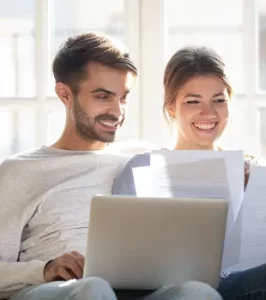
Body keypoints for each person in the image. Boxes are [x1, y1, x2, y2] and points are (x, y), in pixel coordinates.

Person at [0, 34, 221, 300]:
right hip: (56, 290)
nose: (117, 111)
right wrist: (45, 270)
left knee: (197, 292)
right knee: (94, 288)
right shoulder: (20, 171)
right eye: (103, 96)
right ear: (65, 94)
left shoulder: (140, 157)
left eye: (123, 97)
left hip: (136, 290)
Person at [112, 46, 266, 300]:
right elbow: (119, 259)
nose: (208, 113)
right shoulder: (142, 168)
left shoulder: (253, 169)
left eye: (219, 100)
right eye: (193, 101)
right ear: (171, 108)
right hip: (170, 291)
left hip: (241, 287)